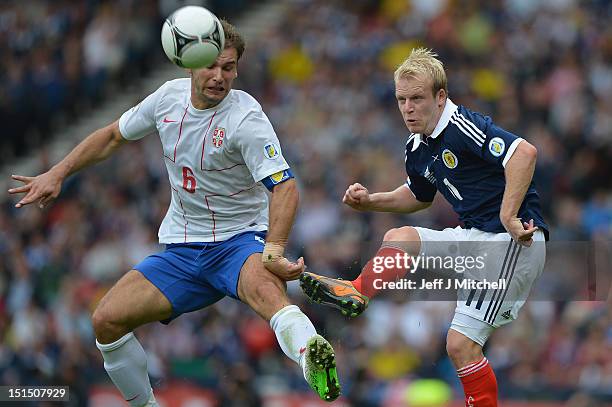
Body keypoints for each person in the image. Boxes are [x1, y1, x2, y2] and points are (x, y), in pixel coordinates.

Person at [8, 20, 340, 405]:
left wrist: (274, 248)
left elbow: (285, 186)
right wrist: (58, 171)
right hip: (182, 250)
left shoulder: (246, 119)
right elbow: (114, 135)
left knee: (268, 295)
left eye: (229, 68)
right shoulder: (167, 98)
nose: (219, 76)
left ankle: (311, 356)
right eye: (211, 66)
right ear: (190, 64)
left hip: (238, 243)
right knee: (106, 320)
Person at [299, 48, 547, 406]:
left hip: (511, 241)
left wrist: (509, 216)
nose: (408, 108)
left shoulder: (462, 125)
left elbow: (524, 154)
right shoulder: (417, 145)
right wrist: (371, 200)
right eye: (402, 100)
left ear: (440, 96)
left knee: (460, 345)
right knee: (399, 238)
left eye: (417, 98)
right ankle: (356, 291)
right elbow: (419, 195)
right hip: (477, 237)